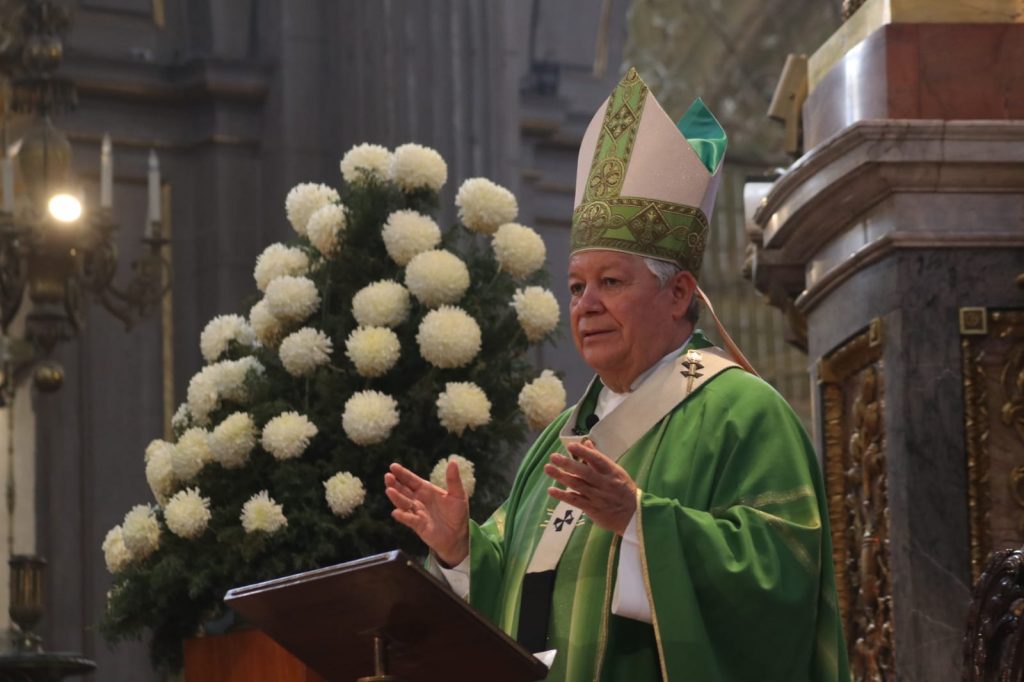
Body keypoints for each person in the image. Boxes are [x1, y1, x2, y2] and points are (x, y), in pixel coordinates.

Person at [385, 67, 850, 681]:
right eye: (577, 286)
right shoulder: (562, 440)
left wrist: (641, 522)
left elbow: (783, 578)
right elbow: (522, 591)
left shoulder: (743, 411)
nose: (586, 306)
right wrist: (462, 551)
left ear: (679, 293)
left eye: (610, 282)